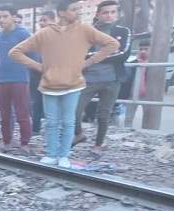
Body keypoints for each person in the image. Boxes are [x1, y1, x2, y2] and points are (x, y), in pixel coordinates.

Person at [9, 0, 119, 168]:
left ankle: (64, 155)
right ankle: (51, 154)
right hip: (49, 85)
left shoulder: (85, 30)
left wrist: (88, 62)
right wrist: (39, 66)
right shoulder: (45, 33)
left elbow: (113, 44)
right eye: (74, 9)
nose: (78, 12)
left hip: (73, 84)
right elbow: (15, 52)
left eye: (79, 9)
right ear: (61, 12)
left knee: (68, 122)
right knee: (51, 123)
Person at [73, 0, 131, 155]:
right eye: (106, 12)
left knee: (104, 115)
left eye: (113, 12)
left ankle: (99, 144)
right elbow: (79, 53)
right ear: (98, 14)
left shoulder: (123, 31)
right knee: (74, 111)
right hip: (88, 79)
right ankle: (79, 134)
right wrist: (106, 52)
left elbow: (123, 54)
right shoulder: (88, 31)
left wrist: (93, 57)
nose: (109, 15)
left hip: (112, 80)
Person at [0, 3, 33, 153]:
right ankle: (7, 142)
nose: (1, 20)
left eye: (5, 16)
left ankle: (24, 143)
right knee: (4, 115)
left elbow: (34, 54)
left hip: (20, 79)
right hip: (1, 80)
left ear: (14, 17)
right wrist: (2, 61)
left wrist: (23, 65)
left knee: (22, 114)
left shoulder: (23, 34)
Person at [30, 10, 56, 135]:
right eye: (40, 20)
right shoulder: (36, 37)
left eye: (45, 20)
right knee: (36, 103)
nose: (41, 23)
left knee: (53, 103)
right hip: (37, 75)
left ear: (53, 21)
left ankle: (53, 128)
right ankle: (35, 128)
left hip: (54, 76)